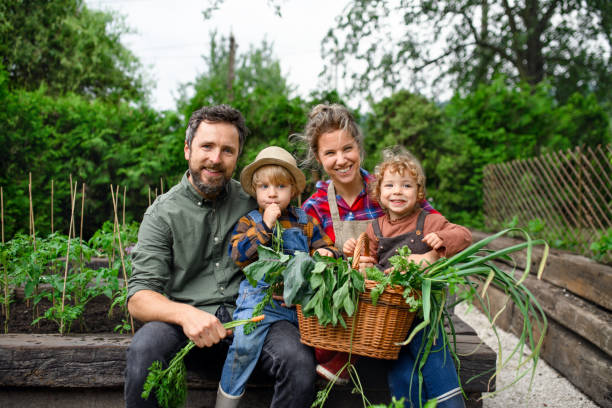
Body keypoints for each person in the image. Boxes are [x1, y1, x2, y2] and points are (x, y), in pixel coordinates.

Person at [125, 105, 316, 408]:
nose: (215, 159)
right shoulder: (162, 213)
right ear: (188, 149)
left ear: (237, 157)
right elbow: (138, 297)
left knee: (299, 360)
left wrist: (294, 285)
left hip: (255, 319)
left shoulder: (258, 201)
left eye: (227, 150)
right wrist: (185, 314)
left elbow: (302, 242)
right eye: (207, 146)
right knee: (145, 346)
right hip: (186, 328)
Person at [299, 104, 464, 407]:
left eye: (347, 148)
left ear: (359, 146)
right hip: (352, 327)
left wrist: (433, 255)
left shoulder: (389, 187)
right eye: (330, 153)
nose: (341, 160)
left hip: (400, 311)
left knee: (419, 360)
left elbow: (437, 227)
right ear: (319, 159)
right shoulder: (314, 206)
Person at [345, 147, 472, 407]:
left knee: (435, 358)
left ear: (419, 193)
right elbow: (366, 261)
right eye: (389, 185)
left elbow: (464, 235)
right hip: (388, 319)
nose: (398, 191)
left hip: (422, 314)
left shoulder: (429, 221)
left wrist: (442, 241)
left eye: (406, 185)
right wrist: (358, 259)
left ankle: (451, 403)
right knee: (402, 370)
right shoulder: (375, 228)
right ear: (379, 194)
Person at [216, 146, 341, 407]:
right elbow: (239, 255)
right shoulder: (250, 221)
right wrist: (266, 225)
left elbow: (324, 246)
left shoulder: (305, 221)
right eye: (264, 187)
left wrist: (327, 254)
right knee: (243, 348)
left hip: (294, 308)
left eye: (281, 186)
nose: (272, 193)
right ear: (255, 191)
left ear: (293, 191)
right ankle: (225, 401)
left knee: (308, 349)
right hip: (257, 303)